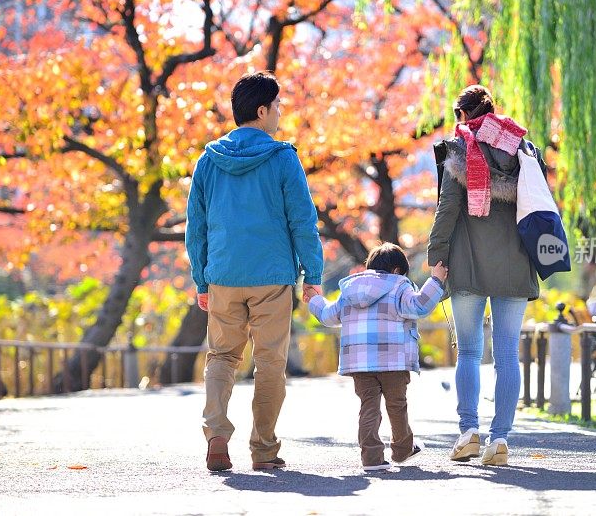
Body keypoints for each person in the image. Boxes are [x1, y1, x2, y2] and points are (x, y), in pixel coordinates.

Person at [186, 71, 323, 472]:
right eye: (277, 106)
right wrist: (311, 274)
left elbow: (196, 226)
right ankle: (263, 449)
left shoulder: (208, 160)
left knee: (223, 356)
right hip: (272, 277)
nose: (280, 113)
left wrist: (201, 278)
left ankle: (215, 433)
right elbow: (302, 220)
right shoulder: (282, 158)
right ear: (262, 111)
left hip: (223, 274)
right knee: (270, 364)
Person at [428, 85, 544, 466]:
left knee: (470, 352)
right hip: (515, 263)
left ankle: (469, 432)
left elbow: (447, 209)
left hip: (468, 266)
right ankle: (501, 439)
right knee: (508, 353)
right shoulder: (524, 149)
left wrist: (436, 256)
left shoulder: (460, 150)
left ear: (462, 115)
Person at [308, 243, 447, 472]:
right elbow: (420, 306)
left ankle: (371, 458)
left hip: (359, 362)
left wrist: (313, 299)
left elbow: (327, 315)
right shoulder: (399, 286)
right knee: (397, 404)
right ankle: (403, 450)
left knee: (368, 407)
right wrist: (436, 280)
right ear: (395, 270)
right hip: (393, 360)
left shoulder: (350, 290)